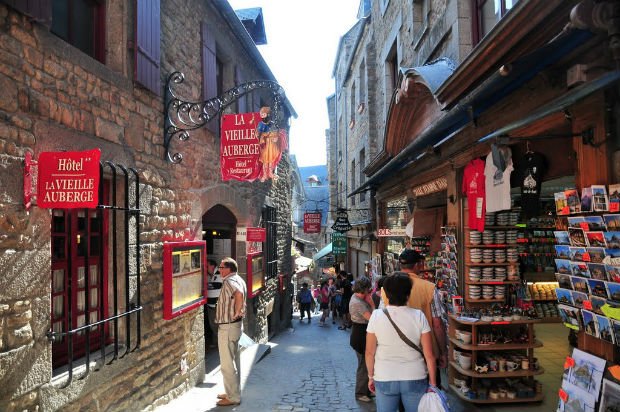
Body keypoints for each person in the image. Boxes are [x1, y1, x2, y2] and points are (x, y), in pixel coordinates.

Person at [365, 272, 437, 411]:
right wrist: (433, 384)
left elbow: (369, 353)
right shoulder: (419, 316)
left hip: (384, 376)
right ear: (408, 294)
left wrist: (370, 376)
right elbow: (429, 355)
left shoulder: (376, 316)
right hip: (415, 376)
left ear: (385, 293)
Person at [398, 249, 448, 385]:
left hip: (399, 351)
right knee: (430, 393)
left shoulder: (387, 287)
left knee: (405, 397)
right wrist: (443, 351)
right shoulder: (430, 288)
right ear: (417, 265)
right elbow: (437, 324)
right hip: (427, 351)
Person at [214, 257, 247, 407]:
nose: (219, 270)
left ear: (229, 269)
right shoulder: (238, 278)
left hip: (228, 326)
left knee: (227, 364)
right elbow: (239, 293)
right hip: (235, 326)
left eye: (222, 267)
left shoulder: (229, 282)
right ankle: (232, 392)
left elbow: (238, 294)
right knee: (234, 361)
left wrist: (237, 311)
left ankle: (233, 397)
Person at [348, 276, 375, 403]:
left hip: (360, 333)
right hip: (360, 335)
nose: (369, 291)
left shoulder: (357, 297)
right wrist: (372, 303)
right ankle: (360, 393)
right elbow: (373, 319)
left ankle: (367, 390)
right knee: (364, 365)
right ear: (363, 289)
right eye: (368, 289)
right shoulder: (358, 303)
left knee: (365, 364)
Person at [205, 258, 222, 348]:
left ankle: (219, 343)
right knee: (213, 324)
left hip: (218, 304)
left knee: (219, 325)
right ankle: (217, 342)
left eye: (207, 266)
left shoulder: (221, 274)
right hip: (210, 304)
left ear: (212, 266)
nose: (205, 267)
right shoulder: (207, 275)